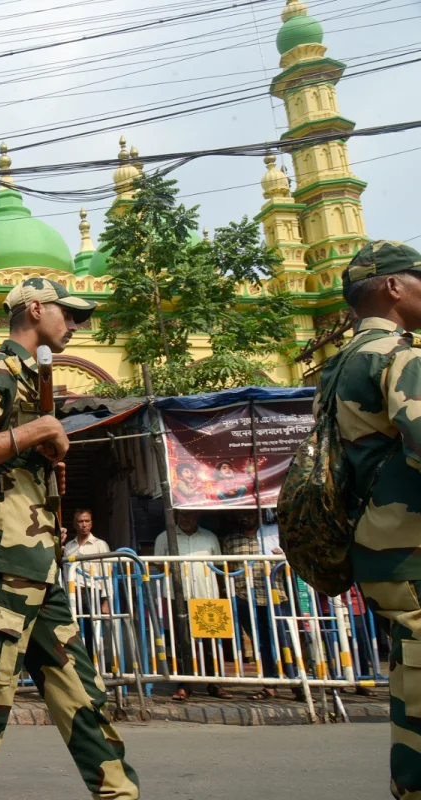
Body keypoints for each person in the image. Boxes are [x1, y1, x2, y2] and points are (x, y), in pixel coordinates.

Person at [0, 278, 139, 800]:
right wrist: (39, 430)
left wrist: (46, 455)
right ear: (33, 309)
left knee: (81, 695)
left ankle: (119, 792)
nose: (73, 325)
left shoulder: (34, 376)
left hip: (40, 566)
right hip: (6, 561)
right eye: (66, 313)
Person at [318, 240, 421, 799]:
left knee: (411, 675)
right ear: (393, 286)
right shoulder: (397, 356)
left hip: (378, 546)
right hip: (412, 547)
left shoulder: (341, 363)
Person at [221, 511, 305, 701]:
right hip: (246, 600)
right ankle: (270, 685)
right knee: (262, 644)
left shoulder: (272, 535)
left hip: (276, 597)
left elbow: (295, 562)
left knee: (286, 642)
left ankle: (297, 685)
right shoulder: (230, 541)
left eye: (249, 514)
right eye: (242, 515)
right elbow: (227, 571)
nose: (244, 517)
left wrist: (284, 557)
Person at [153, 509, 229, 700]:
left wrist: (220, 595)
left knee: (211, 641)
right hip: (177, 596)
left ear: (198, 517)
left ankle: (215, 683)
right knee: (181, 642)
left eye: (190, 516)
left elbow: (218, 567)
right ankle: (184, 685)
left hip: (206, 594)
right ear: (176, 518)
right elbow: (158, 564)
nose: (186, 519)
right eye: (182, 516)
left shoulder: (210, 537)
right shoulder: (165, 537)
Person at [63, 509, 112, 669]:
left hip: (92, 593)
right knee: (74, 633)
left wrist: (106, 600)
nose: (84, 525)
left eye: (87, 521)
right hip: (72, 595)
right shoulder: (69, 547)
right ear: (74, 524)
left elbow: (107, 573)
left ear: (91, 523)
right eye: (80, 522)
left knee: (93, 633)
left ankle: (95, 669)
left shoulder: (99, 545)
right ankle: (79, 669)